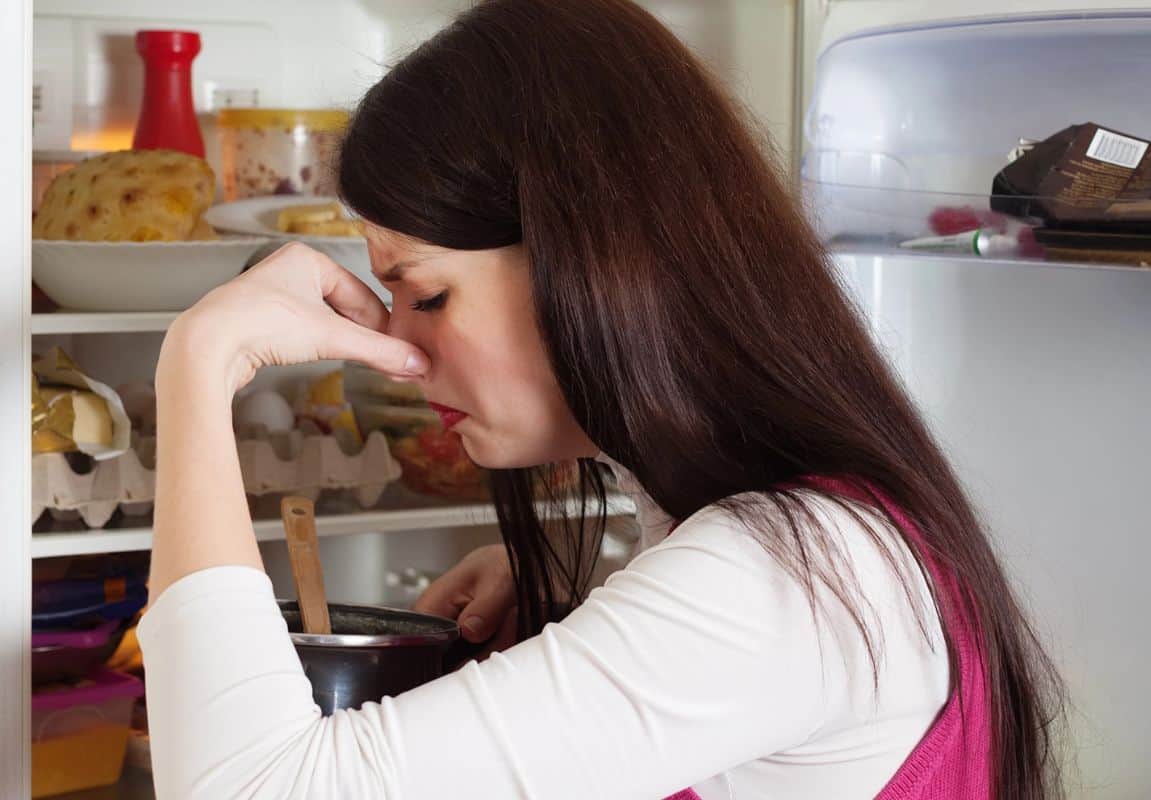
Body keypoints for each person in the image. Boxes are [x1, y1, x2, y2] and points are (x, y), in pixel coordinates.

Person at [139, 0, 1065, 797]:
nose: (398, 348)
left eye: (427, 293)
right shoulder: (800, 546)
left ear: (587, 261)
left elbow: (254, 788)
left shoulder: (783, 581)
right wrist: (606, 604)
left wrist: (197, 364)